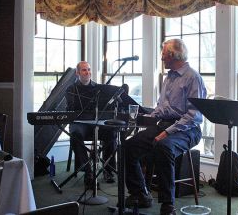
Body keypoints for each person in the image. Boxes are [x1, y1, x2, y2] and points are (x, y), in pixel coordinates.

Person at [124, 39, 207, 215]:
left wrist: (166, 133)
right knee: (128, 146)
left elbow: (194, 116)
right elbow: (162, 108)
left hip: (188, 129)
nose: (161, 58)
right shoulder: (169, 76)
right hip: (164, 124)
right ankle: (140, 194)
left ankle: (168, 205)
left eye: (163, 54)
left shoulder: (193, 77)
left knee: (164, 147)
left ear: (172, 55)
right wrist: (145, 118)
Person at [65, 61, 117, 187]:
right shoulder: (71, 89)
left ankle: (108, 169)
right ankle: (88, 173)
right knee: (75, 135)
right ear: (77, 73)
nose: (87, 72)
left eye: (88, 69)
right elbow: (71, 109)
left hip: (96, 122)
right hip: (80, 123)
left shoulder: (98, 88)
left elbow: (106, 106)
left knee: (112, 132)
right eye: (84, 70)